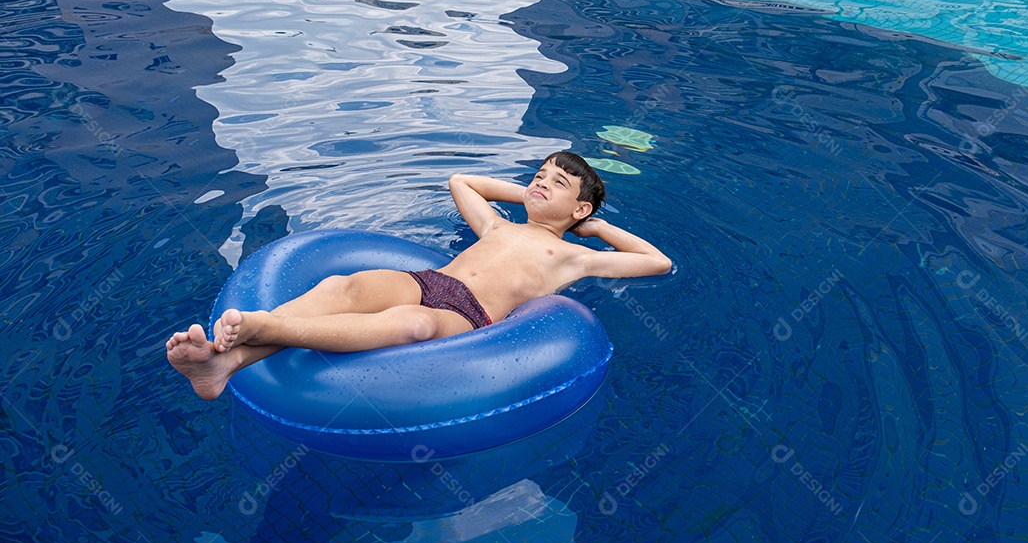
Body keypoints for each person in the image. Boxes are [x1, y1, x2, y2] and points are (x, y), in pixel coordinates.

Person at [166, 151, 671, 400]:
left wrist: (594, 227)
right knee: (345, 287)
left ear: (579, 207)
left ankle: (262, 327)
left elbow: (657, 261)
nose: (540, 182)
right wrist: (531, 195)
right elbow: (462, 181)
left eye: (556, 183)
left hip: (469, 315)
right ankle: (225, 364)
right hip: (433, 281)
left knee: (415, 325)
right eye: (538, 175)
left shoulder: (572, 257)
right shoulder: (496, 223)